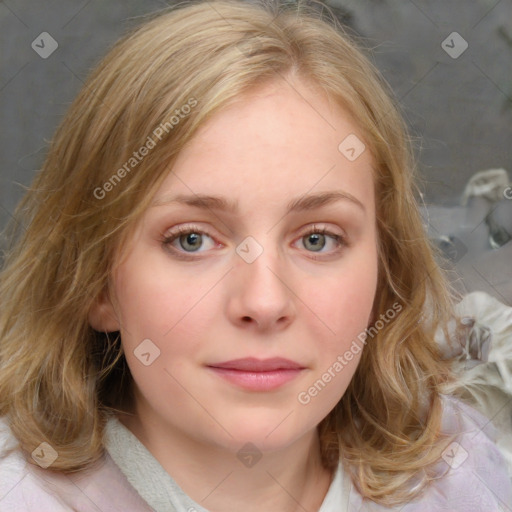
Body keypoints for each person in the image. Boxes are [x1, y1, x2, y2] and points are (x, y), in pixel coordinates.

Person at [0, 0, 510, 510]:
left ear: (385, 271)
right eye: (192, 239)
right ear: (95, 281)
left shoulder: (457, 471)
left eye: (317, 239)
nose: (265, 302)